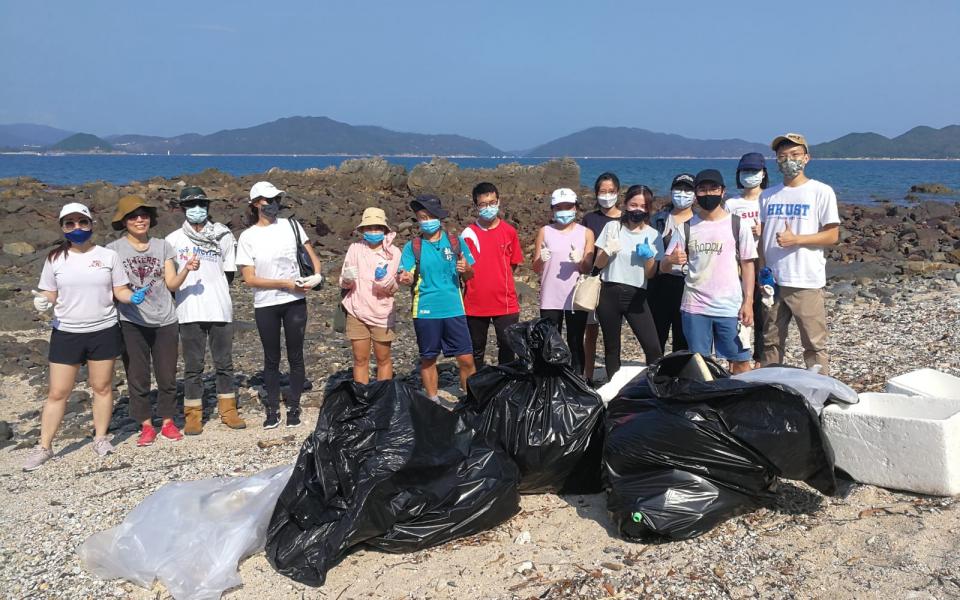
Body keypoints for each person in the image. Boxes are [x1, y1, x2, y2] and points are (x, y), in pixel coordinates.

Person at [24, 203, 145, 471]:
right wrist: (43, 302)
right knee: (58, 392)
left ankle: (100, 438)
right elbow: (49, 293)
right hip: (67, 332)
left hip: (103, 329)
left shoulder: (107, 256)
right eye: (70, 223)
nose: (77, 228)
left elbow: (120, 290)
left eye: (82, 222)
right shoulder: (55, 259)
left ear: (91, 224)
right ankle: (44, 446)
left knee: (102, 387)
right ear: (63, 228)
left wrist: (131, 297)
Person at [107, 195, 198, 446]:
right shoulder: (113, 250)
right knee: (137, 375)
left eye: (144, 216)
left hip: (165, 319)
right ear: (124, 221)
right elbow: (112, 287)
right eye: (133, 216)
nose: (139, 220)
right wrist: (126, 298)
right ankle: (145, 425)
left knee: (167, 374)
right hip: (131, 321)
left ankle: (168, 422)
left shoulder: (162, 246)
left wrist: (186, 269)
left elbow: (170, 283)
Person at [236, 181, 322, 429]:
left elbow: (313, 259)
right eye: (267, 200)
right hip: (266, 304)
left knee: (296, 355)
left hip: (295, 301)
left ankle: (294, 406)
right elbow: (250, 278)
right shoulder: (248, 237)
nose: (272, 204)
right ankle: (272, 409)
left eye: (275, 199)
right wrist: (286, 284)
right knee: (271, 357)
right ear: (255, 204)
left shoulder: (292, 226)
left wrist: (315, 278)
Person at [165, 185, 246, 435]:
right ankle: (193, 414)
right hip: (188, 311)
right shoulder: (172, 240)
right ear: (182, 209)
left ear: (208, 207)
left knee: (224, 363)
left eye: (201, 204)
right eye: (191, 205)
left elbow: (229, 272)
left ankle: (228, 411)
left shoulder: (223, 235)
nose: (197, 209)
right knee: (193, 366)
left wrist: (215, 289)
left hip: (220, 308)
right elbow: (170, 280)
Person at [759, 133, 841, 374]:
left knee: (813, 344)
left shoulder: (820, 191)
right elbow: (762, 238)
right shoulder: (767, 195)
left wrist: (797, 240)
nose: (788, 160)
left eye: (794, 155)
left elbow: (832, 235)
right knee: (770, 341)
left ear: (806, 158)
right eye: (782, 156)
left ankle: (821, 391)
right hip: (773, 282)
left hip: (805, 280)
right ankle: (770, 388)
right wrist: (762, 274)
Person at [661, 170, 757, 374]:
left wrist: (748, 302)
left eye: (713, 188)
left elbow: (748, 265)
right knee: (699, 364)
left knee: (740, 361)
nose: (708, 194)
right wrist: (670, 260)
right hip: (694, 307)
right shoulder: (685, 227)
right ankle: (705, 403)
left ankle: (739, 403)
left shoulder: (737, 225)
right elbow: (663, 266)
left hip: (730, 307)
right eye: (702, 190)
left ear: (723, 191)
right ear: (696, 194)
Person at [397, 194, 477, 401]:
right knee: (428, 358)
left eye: (430, 216)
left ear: (439, 217)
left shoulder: (455, 242)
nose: (426, 221)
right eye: (422, 217)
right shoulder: (412, 247)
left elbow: (470, 274)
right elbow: (404, 274)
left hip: (454, 308)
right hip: (425, 309)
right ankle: (432, 400)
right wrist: (404, 277)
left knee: (466, 358)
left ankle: (470, 398)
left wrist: (466, 269)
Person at [592, 185, 664, 378]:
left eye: (643, 206)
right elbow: (598, 264)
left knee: (653, 348)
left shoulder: (653, 235)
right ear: (625, 204)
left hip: (636, 295)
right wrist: (607, 250)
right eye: (633, 204)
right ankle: (615, 391)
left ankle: (653, 385)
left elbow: (650, 274)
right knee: (612, 346)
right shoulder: (612, 227)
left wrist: (648, 257)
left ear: (648, 209)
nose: (637, 209)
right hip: (609, 292)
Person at [533, 187, 595, 375]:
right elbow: (536, 267)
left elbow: (587, 268)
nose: (564, 211)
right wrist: (541, 259)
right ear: (552, 209)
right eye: (559, 207)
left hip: (576, 297)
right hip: (550, 296)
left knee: (576, 342)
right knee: (550, 343)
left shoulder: (586, 233)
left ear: (576, 208)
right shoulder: (544, 231)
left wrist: (580, 260)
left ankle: (576, 381)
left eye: (568, 206)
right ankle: (552, 381)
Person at [461, 182, 523, 366]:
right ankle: (477, 390)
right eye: (483, 204)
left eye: (492, 202)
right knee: (476, 350)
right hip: (475, 302)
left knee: (508, 347)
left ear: (498, 201)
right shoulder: (468, 234)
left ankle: (505, 389)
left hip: (505, 302)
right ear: (475, 206)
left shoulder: (509, 232)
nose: (488, 207)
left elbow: (513, 265)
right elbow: (463, 272)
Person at [339, 207, 401, 384]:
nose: (373, 231)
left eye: (378, 227)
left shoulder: (394, 253)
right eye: (369, 227)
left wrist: (382, 280)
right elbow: (344, 281)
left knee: (383, 359)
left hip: (382, 313)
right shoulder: (355, 248)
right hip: (356, 310)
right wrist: (347, 279)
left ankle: (382, 400)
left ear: (384, 230)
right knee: (360, 360)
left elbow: (393, 288)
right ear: (362, 230)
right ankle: (362, 398)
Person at [725, 153, 768, 366]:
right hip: (738, 265)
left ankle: (760, 359)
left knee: (763, 313)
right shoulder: (732, 204)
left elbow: (782, 229)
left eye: (754, 171)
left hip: (764, 264)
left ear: (763, 173)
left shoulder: (769, 199)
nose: (749, 176)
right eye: (745, 171)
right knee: (738, 311)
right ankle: (737, 360)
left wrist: (765, 229)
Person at [581, 172, 622, 383]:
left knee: (612, 334)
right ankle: (588, 376)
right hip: (594, 281)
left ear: (618, 192)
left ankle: (613, 377)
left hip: (617, 283)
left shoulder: (626, 219)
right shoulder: (590, 219)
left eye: (611, 191)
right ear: (596, 193)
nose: (607, 195)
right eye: (602, 191)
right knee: (590, 332)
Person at [648, 173, 696, 353]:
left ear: (695, 195)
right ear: (671, 191)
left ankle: (679, 376)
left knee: (683, 336)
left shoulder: (699, 221)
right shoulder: (658, 220)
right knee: (656, 335)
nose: (682, 194)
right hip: (660, 282)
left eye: (687, 190)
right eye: (679, 189)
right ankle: (654, 373)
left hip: (688, 284)